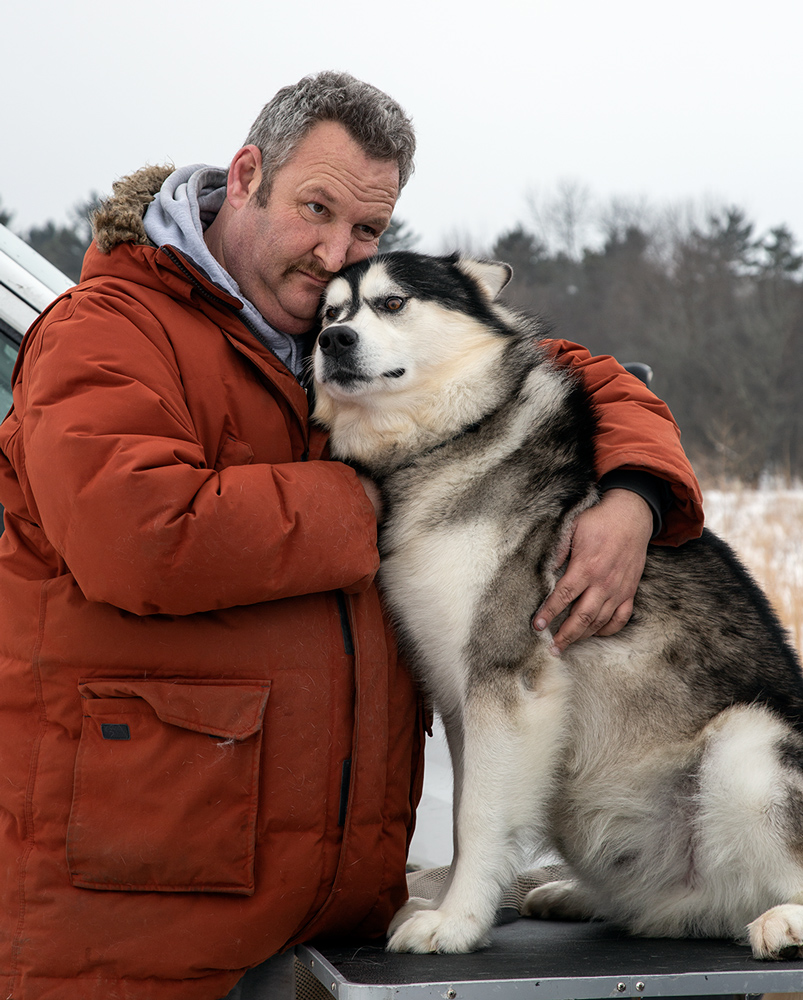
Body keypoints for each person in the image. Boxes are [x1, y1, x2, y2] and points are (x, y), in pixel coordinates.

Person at [0, 71, 703, 1000]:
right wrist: (398, 502)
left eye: (366, 230)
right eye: (315, 209)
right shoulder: (108, 333)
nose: (336, 251)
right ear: (246, 174)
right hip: (138, 898)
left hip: (328, 909)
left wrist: (634, 496)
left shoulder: (348, 322)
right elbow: (142, 535)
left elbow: (584, 375)